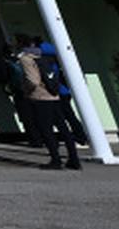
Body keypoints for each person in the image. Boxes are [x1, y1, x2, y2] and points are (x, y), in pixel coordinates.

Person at [15, 35, 81, 171]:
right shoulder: (43, 55)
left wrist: (26, 91)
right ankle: (74, 159)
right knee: (63, 127)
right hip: (54, 94)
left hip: (40, 97)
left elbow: (32, 80)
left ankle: (55, 160)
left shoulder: (26, 58)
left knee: (46, 129)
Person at [39, 40, 90, 147]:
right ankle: (80, 136)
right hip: (65, 91)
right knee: (69, 115)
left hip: (58, 92)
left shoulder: (48, 62)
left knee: (62, 117)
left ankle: (77, 136)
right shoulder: (61, 60)